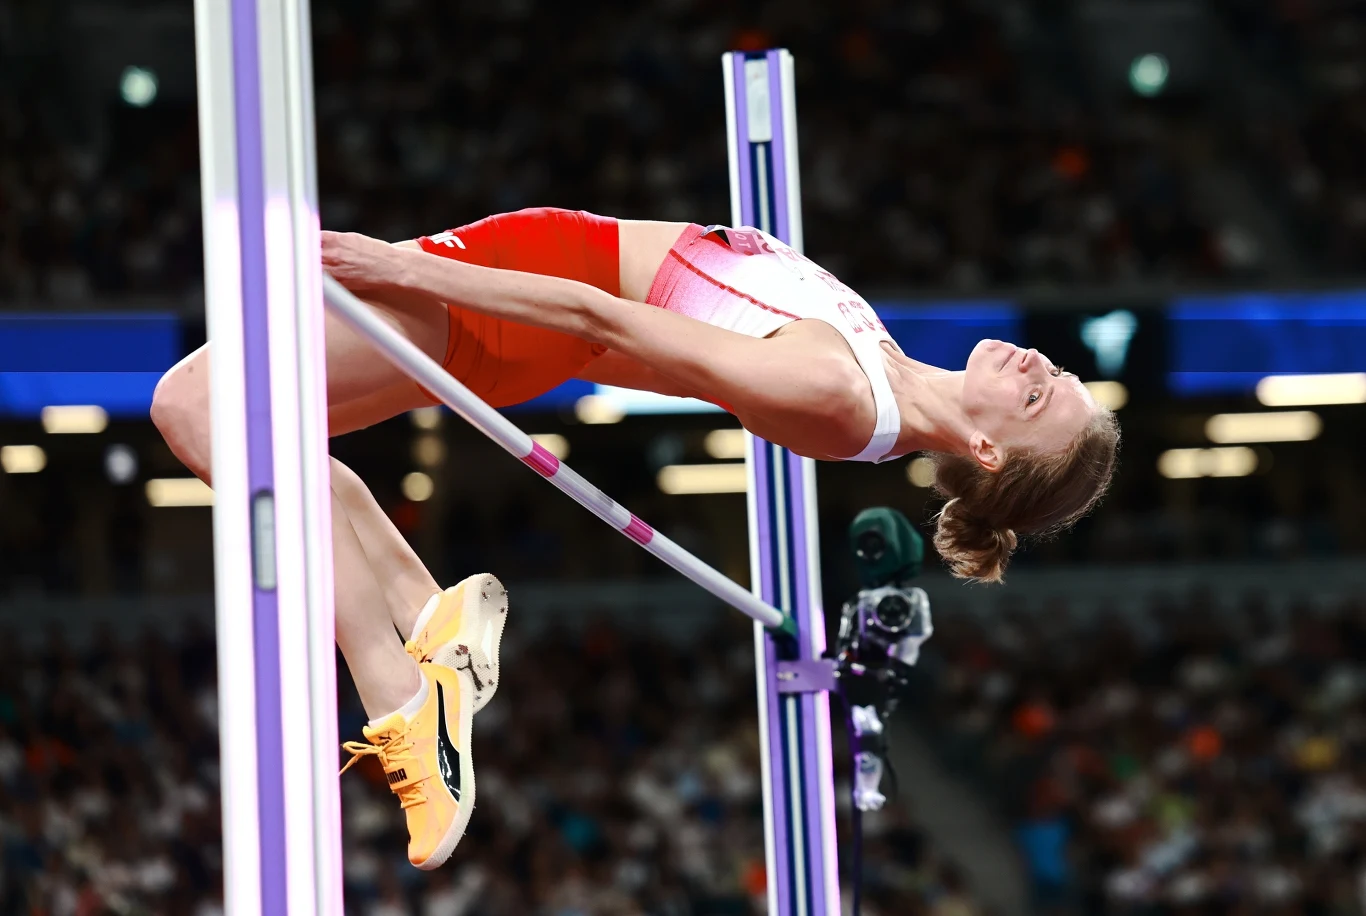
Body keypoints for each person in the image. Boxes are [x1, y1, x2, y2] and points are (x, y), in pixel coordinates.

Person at [150, 207, 1119, 869]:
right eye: (1058, 372)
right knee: (255, 432)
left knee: (197, 407)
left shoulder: (837, 394)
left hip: (521, 297)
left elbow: (598, 315)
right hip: (534, 281)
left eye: (1042, 397)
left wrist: (408, 268)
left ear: (988, 451)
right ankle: (423, 612)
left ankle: (400, 692)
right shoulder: (889, 372)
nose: (1038, 364)